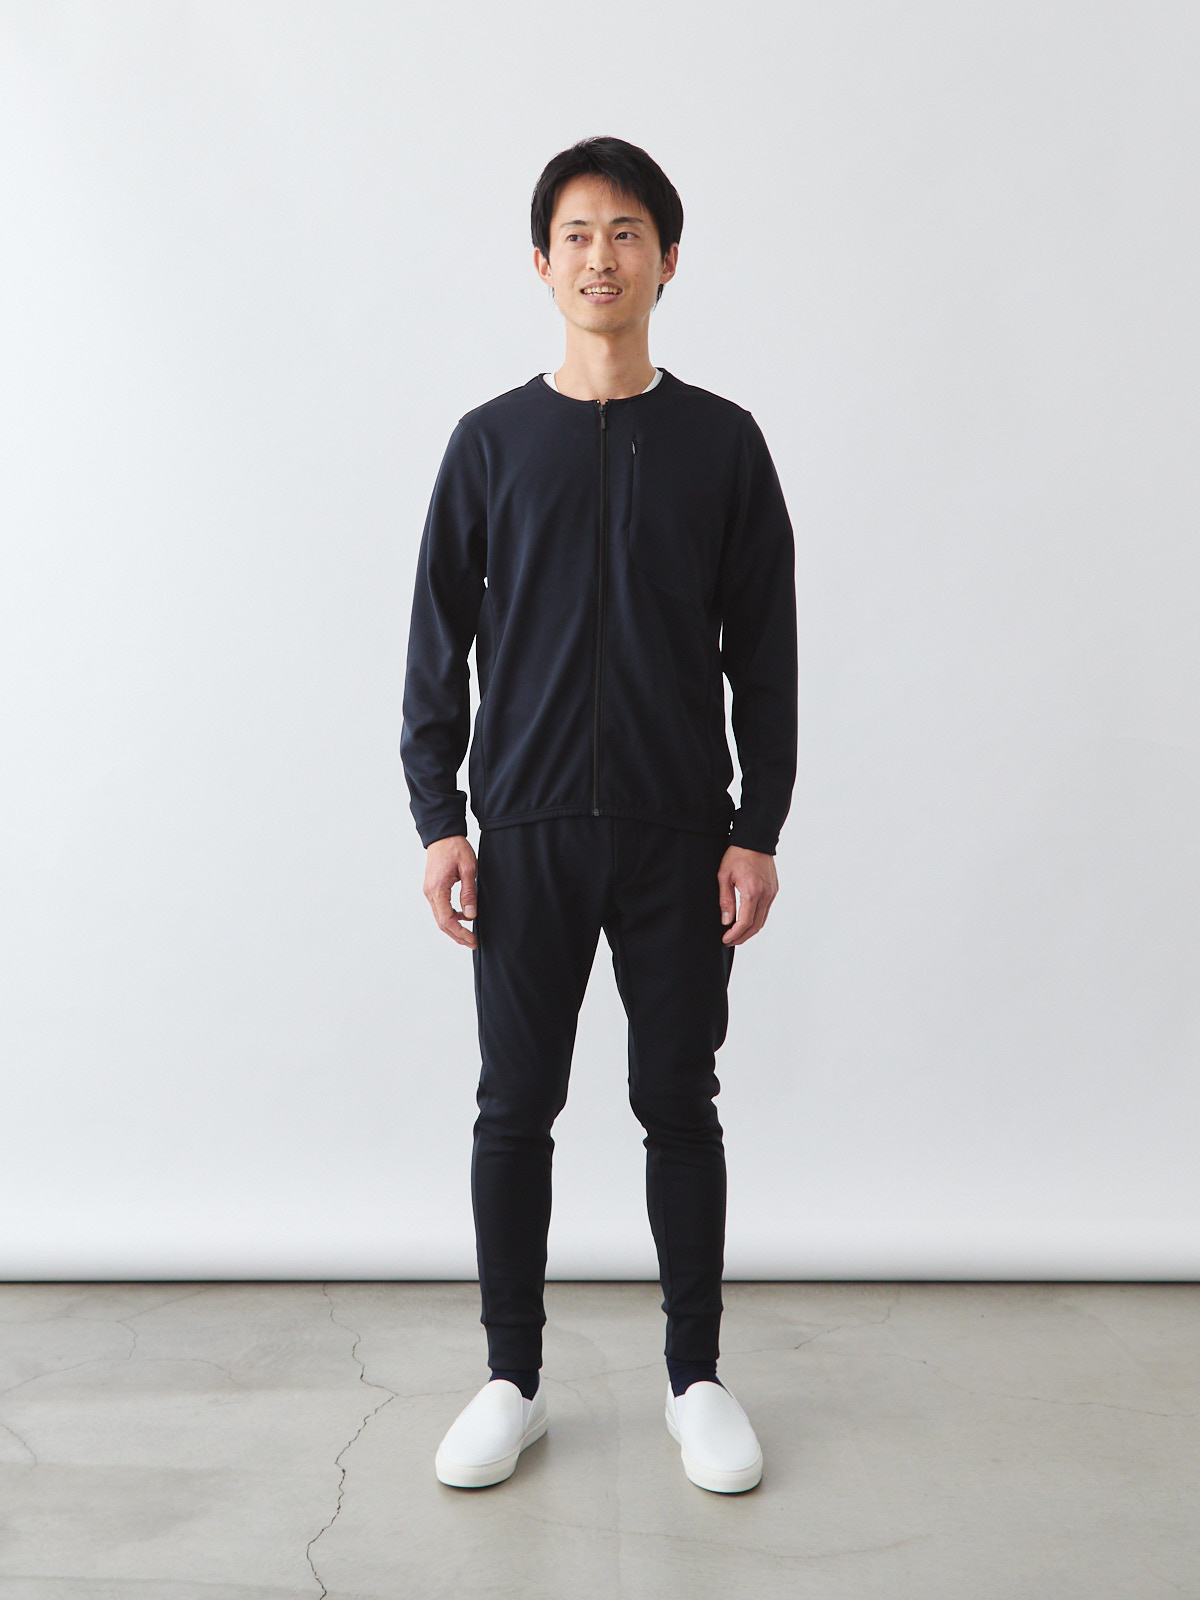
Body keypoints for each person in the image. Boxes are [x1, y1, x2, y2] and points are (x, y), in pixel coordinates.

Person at [400, 135, 797, 1494]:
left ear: (668, 260)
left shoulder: (723, 444)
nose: (601, 255)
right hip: (524, 834)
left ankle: (697, 1380)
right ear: (541, 262)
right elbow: (436, 646)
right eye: (577, 233)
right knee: (515, 1108)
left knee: (677, 1102)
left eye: (627, 232)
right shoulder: (490, 444)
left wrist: (759, 825)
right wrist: (439, 818)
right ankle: (511, 1380)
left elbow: (766, 653)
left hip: (681, 833)